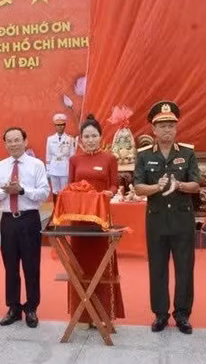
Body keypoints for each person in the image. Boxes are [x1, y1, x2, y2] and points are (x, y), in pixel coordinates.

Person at [133, 101, 200, 334]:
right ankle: (160, 314)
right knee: (158, 267)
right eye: (162, 126)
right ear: (153, 129)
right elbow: (138, 188)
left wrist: (179, 184)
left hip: (182, 220)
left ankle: (182, 314)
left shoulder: (187, 153)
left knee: (185, 268)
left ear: (176, 128)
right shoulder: (143, 156)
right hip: (157, 219)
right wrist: (156, 188)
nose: (167, 130)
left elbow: (196, 185)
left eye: (171, 125)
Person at [66, 114, 124, 325]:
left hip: (100, 218)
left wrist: (108, 193)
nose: (90, 139)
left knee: (102, 263)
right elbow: (70, 185)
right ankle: (82, 313)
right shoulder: (74, 160)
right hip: (79, 219)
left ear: (101, 137)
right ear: (81, 139)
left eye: (94, 135)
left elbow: (114, 185)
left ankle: (103, 313)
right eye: (86, 136)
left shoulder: (109, 158)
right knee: (80, 263)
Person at [0, 127, 49, 328]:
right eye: (9, 141)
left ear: (25, 140)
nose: (13, 144)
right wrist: (6, 191)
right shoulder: (0, 166)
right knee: (10, 267)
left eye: (17, 140)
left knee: (31, 266)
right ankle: (13, 307)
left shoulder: (36, 165)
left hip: (29, 219)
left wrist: (22, 190)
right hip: (8, 221)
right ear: (5, 144)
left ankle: (31, 307)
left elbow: (44, 193)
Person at [46, 113, 75, 200]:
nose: (60, 127)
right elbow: (48, 155)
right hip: (54, 167)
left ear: (65, 125)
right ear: (55, 126)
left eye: (62, 125)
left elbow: (72, 156)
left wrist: (71, 170)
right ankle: (55, 210)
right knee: (55, 190)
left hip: (65, 168)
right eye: (58, 125)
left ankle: (64, 211)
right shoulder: (50, 139)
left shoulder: (70, 139)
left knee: (65, 190)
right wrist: (48, 169)